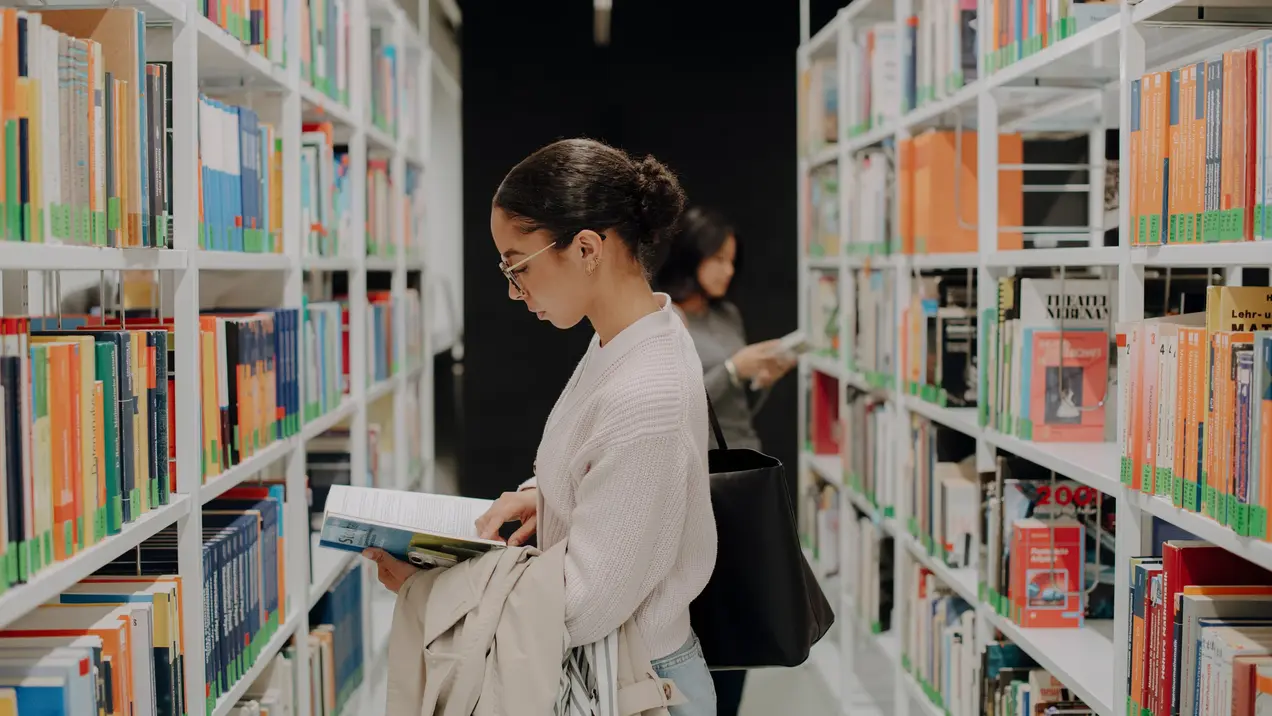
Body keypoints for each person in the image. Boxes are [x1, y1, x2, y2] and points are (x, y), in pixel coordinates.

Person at [366, 138, 720, 716]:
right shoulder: (626, 337)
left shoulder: (644, 390)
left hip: (637, 684)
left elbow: (582, 605)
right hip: (616, 671)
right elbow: (604, 464)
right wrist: (543, 496)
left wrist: (428, 590)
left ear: (586, 249)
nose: (512, 289)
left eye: (517, 265)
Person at [655, 206, 797, 715]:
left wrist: (757, 381)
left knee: (742, 606)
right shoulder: (664, 320)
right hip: (696, 476)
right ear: (691, 256)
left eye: (732, 261)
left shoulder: (727, 314)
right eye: (718, 259)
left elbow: (733, 410)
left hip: (740, 472)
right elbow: (676, 398)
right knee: (701, 608)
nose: (728, 271)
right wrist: (734, 369)